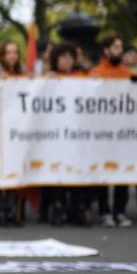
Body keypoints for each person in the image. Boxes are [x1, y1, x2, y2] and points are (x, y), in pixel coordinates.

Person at [43, 42, 92, 227]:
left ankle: (77, 206)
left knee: (77, 170)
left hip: (77, 133)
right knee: (58, 170)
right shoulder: (49, 79)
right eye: (63, 57)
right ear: (56, 60)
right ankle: (57, 206)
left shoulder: (83, 78)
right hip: (56, 133)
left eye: (70, 57)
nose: (67, 61)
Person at [88, 35, 134, 228]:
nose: (119, 51)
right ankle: (105, 211)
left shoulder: (128, 74)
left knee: (122, 173)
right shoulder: (95, 73)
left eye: (121, 47)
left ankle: (120, 211)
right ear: (106, 50)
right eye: (116, 47)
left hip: (122, 132)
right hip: (102, 132)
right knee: (104, 172)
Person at [0, 41, 26, 226]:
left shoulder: (22, 75)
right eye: (8, 52)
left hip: (16, 130)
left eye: (15, 52)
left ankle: (12, 210)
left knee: (13, 172)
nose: (12, 56)